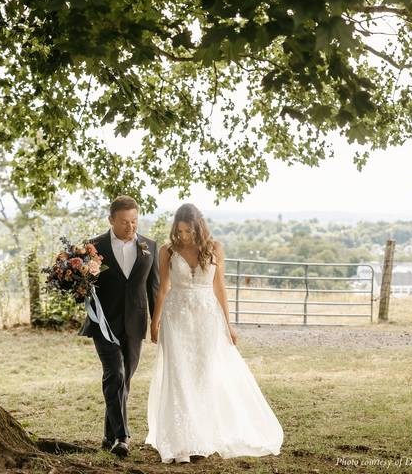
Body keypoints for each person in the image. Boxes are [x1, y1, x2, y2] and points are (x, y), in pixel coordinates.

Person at [146, 203, 284, 463]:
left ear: (198, 226)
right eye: (180, 230)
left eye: (188, 230)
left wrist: (228, 324)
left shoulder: (215, 248)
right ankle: (180, 444)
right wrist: (155, 322)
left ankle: (201, 437)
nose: (183, 235)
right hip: (176, 318)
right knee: (179, 376)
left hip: (207, 318)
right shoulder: (167, 251)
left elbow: (220, 288)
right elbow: (162, 288)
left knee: (202, 374)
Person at [78, 195, 160, 458]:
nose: (131, 227)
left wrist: (158, 322)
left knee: (123, 381)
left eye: (134, 221)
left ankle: (108, 435)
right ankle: (123, 437)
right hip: (103, 323)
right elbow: (83, 287)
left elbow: (154, 288)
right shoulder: (92, 246)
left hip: (135, 323)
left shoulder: (149, 246)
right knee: (115, 373)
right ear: (111, 220)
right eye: (125, 222)